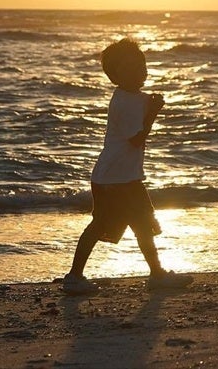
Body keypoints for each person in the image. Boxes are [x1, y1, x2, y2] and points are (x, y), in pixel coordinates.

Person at [61, 37, 193, 294]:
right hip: (114, 178)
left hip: (124, 176)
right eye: (130, 68)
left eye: (141, 65)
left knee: (142, 222)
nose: (139, 72)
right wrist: (154, 112)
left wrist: (153, 105)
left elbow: (142, 118)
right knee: (101, 224)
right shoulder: (124, 101)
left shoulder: (134, 97)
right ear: (115, 75)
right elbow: (136, 139)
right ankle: (74, 276)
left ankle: (156, 274)